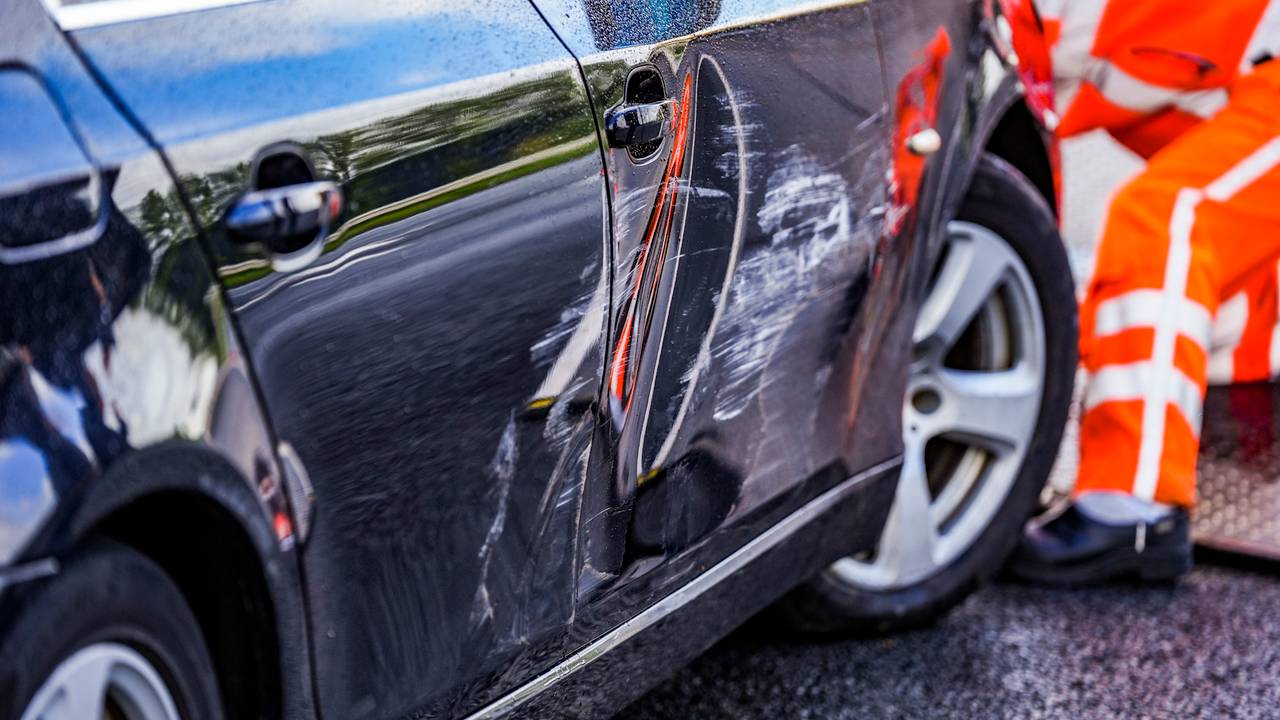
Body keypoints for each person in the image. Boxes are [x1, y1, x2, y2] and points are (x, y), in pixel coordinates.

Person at [1011, 0, 1280, 584]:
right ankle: (1238, 375)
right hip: (1242, 76)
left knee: (1164, 222)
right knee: (1207, 220)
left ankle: (1132, 507)